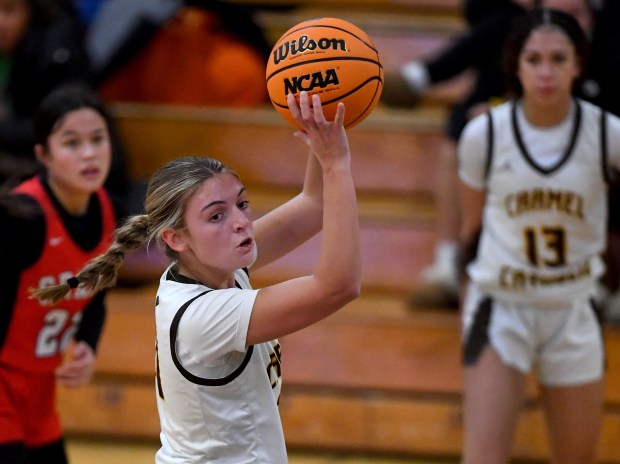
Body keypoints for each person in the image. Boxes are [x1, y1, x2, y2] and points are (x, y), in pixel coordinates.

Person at [32, 91, 361, 463]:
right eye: (216, 216)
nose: (240, 222)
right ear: (176, 238)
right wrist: (336, 164)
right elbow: (339, 285)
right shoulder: (203, 317)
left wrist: (323, 124)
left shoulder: (212, 264)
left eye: (241, 203)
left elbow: (314, 205)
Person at [458, 8, 619, 463]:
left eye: (558, 58)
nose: (546, 71)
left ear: (578, 63)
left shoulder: (608, 134)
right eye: (534, 59)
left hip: (573, 306)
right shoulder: (483, 134)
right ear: (516, 65)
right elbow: (471, 236)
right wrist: (469, 305)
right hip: (501, 307)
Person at [0, 85, 125, 463]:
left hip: (40, 394)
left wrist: (88, 344)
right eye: (72, 143)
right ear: (44, 155)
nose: (89, 153)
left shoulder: (105, 210)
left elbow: (96, 297)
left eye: (98, 139)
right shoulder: (23, 219)